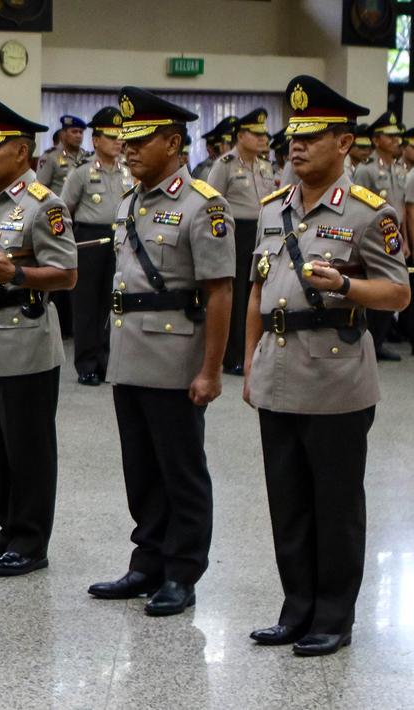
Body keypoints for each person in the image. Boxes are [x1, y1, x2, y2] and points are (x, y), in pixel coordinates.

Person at [244, 75, 411, 656]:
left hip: (337, 379)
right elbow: (255, 292)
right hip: (278, 372)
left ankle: (334, 618)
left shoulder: (370, 213)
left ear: (343, 144)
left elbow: (398, 294)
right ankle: (297, 608)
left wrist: (345, 284)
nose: (297, 144)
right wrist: (248, 362)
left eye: (313, 136)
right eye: (294, 134)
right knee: (287, 501)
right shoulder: (271, 210)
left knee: (335, 505)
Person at [88, 87, 234, 617]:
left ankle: (181, 571)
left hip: (177, 360)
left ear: (173, 143)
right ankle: (147, 560)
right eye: (125, 141)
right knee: (141, 468)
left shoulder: (203, 204)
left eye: (141, 140)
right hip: (130, 356)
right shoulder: (129, 202)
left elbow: (220, 292)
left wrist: (211, 369)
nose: (128, 149)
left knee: (181, 470)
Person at [0, 96, 77, 577]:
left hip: (25, 335)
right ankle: (7, 528)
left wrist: (18, 274)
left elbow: (67, 273)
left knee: (28, 445)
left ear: (23, 152)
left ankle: (31, 540)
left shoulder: (44, 206)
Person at [61, 106, 132, 385]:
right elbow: (64, 210)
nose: (118, 141)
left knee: (111, 304)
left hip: (119, 241)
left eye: (120, 136)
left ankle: (107, 361)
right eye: (111, 136)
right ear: (96, 140)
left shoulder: (127, 172)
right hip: (89, 239)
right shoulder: (81, 172)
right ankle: (87, 364)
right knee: (86, 305)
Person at [207, 108, 276, 375]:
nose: (262, 139)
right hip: (235, 233)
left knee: (256, 293)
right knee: (234, 297)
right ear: (241, 135)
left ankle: (253, 352)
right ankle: (232, 355)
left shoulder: (264, 166)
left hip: (261, 234)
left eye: (264, 134)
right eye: (256, 134)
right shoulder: (224, 165)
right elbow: (212, 203)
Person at [353, 112, 406, 362]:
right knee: (375, 288)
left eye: (397, 136)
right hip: (373, 237)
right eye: (390, 136)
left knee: (393, 286)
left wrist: (403, 238)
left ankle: (380, 340)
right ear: (376, 140)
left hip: (393, 235)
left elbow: (401, 208)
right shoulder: (366, 171)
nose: (397, 140)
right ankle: (370, 341)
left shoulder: (397, 169)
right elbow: (359, 208)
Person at [36, 115, 90, 194]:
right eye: (74, 132)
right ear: (63, 134)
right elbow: (39, 187)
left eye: (81, 132)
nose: (78, 136)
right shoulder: (50, 156)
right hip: (59, 204)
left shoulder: (87, 156)